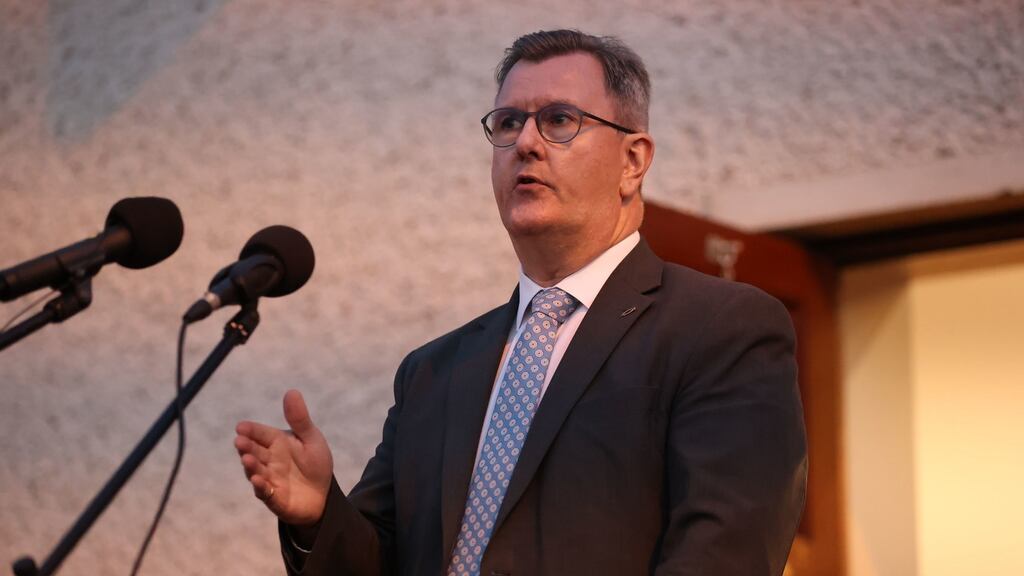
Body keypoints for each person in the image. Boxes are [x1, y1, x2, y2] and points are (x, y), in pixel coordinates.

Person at [234, 29, 807, 576]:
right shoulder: (433, 372)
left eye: (560, 120)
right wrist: (318, 515)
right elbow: (381, 561)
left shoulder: (719, 329)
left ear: (632, 161)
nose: (526, 143)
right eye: (508, 123)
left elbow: (725, 555)